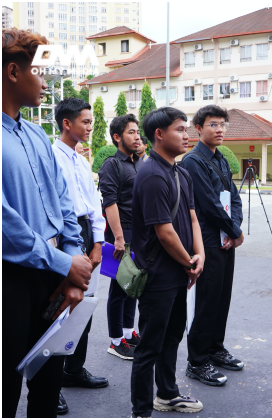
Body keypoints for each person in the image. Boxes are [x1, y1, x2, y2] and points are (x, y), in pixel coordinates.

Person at [3, 27, 92, 418]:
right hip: (12, 279)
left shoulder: (37, 135)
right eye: (38, 73)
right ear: (12, 73)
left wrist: (72, 267)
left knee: (48, 385)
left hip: (55, 274)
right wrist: (64, 264)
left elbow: (64, 203)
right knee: (6, 388)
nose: (45, 82)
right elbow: (6, 224)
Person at [130, 107, 205, 417]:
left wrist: (199, 256)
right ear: (159, 134)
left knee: (173, 336)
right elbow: (164, 232)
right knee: (149, 346)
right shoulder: (150, 174)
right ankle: (141, 410)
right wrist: (189, 262)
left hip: (179, 272)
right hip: (158, 275)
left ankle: (167, 394)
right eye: (180, 129)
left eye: (186, 129)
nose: (187, 135)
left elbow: (191, 217)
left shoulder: (180, 172)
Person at [52, 98, 109, 414]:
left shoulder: (81, 161)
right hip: (63, 236)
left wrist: (98, 242)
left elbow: (94, 203)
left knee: (85, 304)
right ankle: (52, 381)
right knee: (61, 308)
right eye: (85, 122)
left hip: (88, 233)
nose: (90, 126)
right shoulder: (51, 157)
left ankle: (74, 370)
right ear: (66, 123)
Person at [182, 105, 244, 387]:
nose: (219, 129)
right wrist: (231, 229)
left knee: (222, 298)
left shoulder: (220, 159)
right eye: (213, 124)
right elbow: (208, 203)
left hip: (225, 238)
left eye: (223, 125)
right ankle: (197, 361)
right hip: (207, 240)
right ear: (198, 128)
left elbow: (234, 197)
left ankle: (215, 348)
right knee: (207, 300)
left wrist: (236, 228)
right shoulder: (193, 161)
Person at [99, 114, 143, 361]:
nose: (137, 136)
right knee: (119, 288)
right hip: (121, 234)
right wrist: (118, 238)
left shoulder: (137, 163)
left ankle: (129, 332)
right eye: (131, 132)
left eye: (137, 132)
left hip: (139, 234)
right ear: (117, 137)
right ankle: (116, 341)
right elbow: (110, 203)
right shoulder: (111, 165)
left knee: (133, 286)